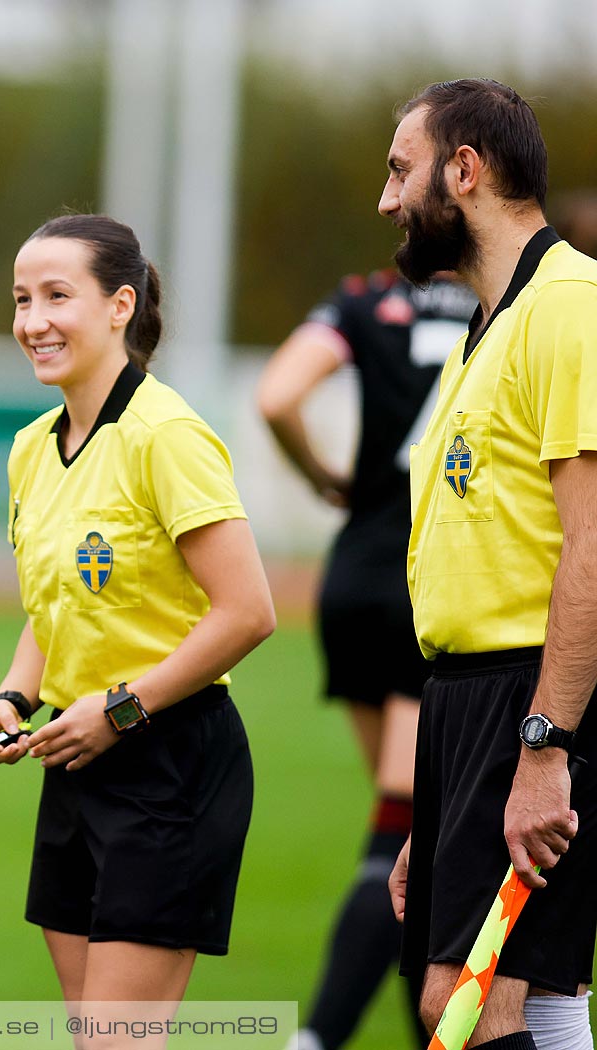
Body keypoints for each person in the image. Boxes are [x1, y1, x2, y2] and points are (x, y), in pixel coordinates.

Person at [0, 214, 275, 1049]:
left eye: (57, 297)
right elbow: (54, 605)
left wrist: (121, 710)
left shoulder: (166, 435)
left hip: (169, 760)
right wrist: (13, 695)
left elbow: (249, 612)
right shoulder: (31, 448)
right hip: (76, 759)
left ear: (119, 305)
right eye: (22, 299)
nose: (34, 320)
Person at [382, 79, 597, 1050]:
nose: (388, 200)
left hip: (533, 697)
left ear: (464, 171)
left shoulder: (569, 307)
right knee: (530, 1000)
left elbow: (592, 541)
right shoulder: (489, 325)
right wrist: (442, 808)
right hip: (470, 705)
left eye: (401, 169)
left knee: (462, 1006)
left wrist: (545, 747)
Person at [258, 265, 476, 1050]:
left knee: (426, 836)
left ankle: (426, 1035)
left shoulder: (360, 296)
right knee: (411, 831)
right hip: (437, 579)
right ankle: (316, 1036)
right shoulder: (514, 297)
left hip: (352, 580)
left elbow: (277, 394)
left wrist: (324, 477)